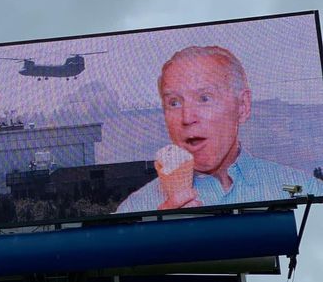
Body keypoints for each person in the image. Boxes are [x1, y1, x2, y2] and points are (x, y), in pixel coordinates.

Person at [116, 45, 323, 213]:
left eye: (204, 98)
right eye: (174, 103)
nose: (187, 118)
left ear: (242, 106)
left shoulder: (305, 190)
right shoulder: (135, 210)